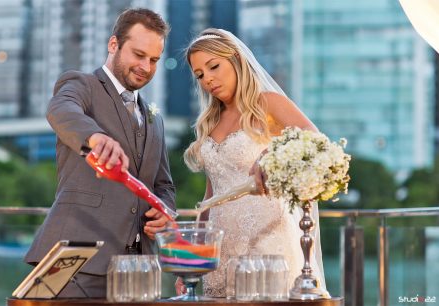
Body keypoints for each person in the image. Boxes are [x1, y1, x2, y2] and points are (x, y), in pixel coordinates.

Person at [24, 8, 175, 298]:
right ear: (113, 44)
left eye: (154, 60)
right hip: (76, 262)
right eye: (139, 54)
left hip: (140, 269)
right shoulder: (81, 84)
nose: (146, 66)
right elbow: (60, 109)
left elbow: (163, 185)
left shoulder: (155, 118)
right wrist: (94, 137)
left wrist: (165, 210)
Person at [180, 28, 326, 297]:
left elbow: (315, 139)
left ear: (235, 59)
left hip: (268, 238)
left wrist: (271, 155)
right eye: (200, 75)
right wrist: (194, 254)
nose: (208, 79)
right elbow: (211, 195)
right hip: (221, 245)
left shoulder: (267, 103)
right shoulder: (210, 121)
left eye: (214, 67)